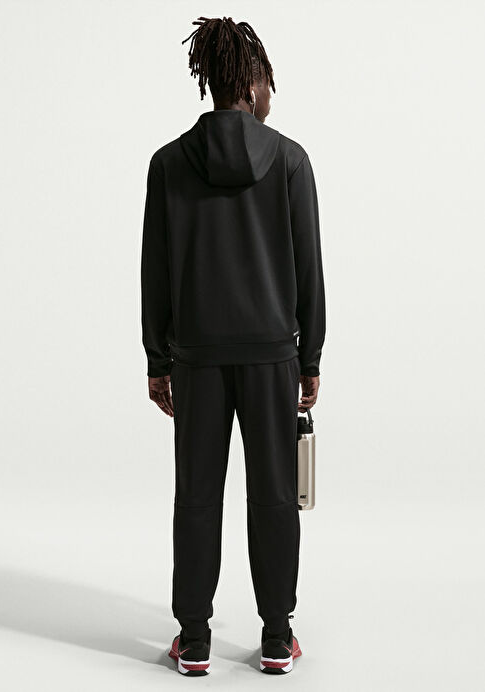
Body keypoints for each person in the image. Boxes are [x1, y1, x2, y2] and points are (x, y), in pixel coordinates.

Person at [141, 16, 325, 676]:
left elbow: (155, 269)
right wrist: (310, 360)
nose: (272, 93)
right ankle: (276, 637)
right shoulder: (291, 160)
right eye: (268, 80)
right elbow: (309, 269)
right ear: (250, 84)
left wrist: (157, 360)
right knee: (274, 495)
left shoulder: (169, 163)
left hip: (195, 357)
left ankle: (193, 640)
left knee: (196, 497)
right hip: (272, 355)